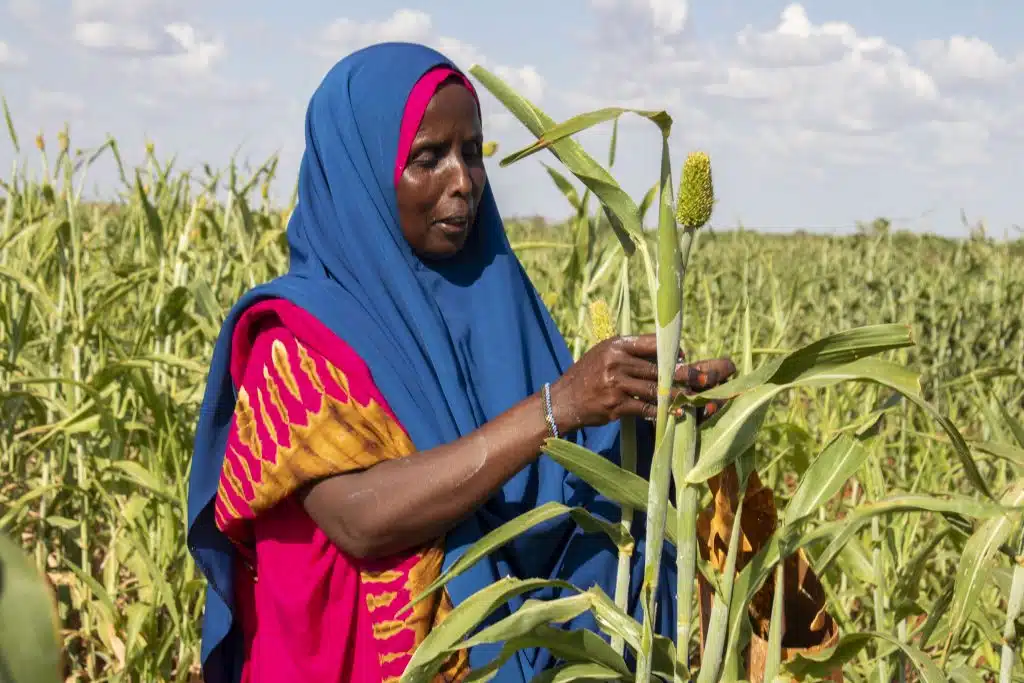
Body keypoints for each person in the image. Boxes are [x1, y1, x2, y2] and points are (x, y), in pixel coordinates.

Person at [186, 42, 736, 683]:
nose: (464, 181)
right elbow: (359, 519)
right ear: (359, 175)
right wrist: (557, 407)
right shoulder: (298, 339)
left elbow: (560, 499)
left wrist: (657, 418)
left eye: (472, 152)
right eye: (428, 158)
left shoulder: (495, 303)